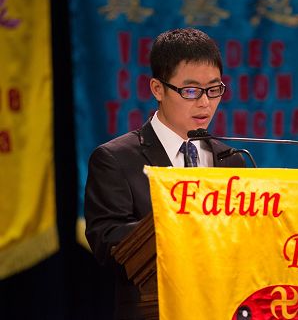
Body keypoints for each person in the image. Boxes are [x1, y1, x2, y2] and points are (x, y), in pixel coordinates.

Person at [84, 28, 246, 319]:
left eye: (214, 89)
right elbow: (107, 245)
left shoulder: (230, 160)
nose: (205, 103)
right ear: (157, 89)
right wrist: (185, 225)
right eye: (191, 91)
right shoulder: (115, 159)